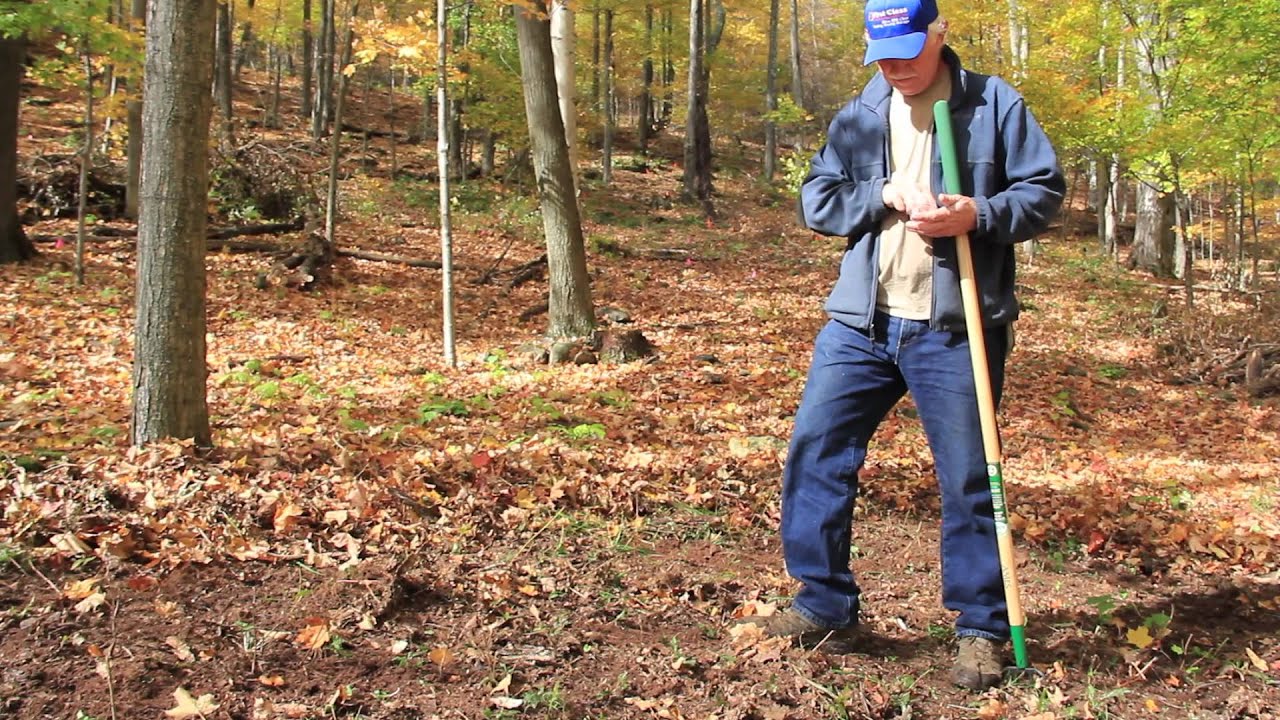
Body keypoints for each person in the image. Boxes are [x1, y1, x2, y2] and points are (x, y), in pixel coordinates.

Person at [738, 0, 1065, 691]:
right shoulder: (860, 113)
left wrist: (978, 213)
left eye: (908, 53)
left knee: (971, 477)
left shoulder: (995, 104)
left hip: (955, 325)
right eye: (882, 56)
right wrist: (880, 193)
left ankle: (979, 627)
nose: (895, 68)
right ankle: (824, 604)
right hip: (861, 323)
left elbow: (1043, 192)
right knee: (817, 451)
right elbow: (817, 199)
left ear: (939, 37)